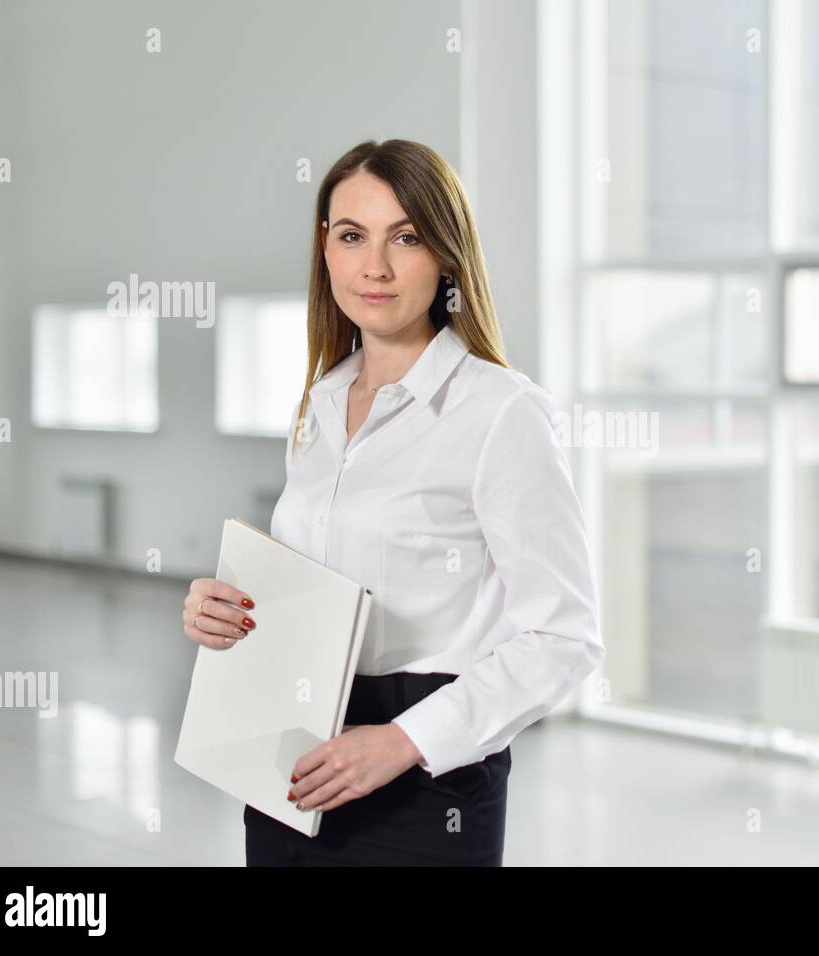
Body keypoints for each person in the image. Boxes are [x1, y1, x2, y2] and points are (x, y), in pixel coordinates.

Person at [180, 139, 604, 866]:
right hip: (294, 754)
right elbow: (318, 581)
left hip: (425, 783)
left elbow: (566, 640)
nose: (373, 266)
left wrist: (404, 741)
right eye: (351, 236)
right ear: (326, 251)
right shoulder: (321, 403)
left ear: (445, 256)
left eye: (404, 238)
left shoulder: (501, 413)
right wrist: (225, 610)